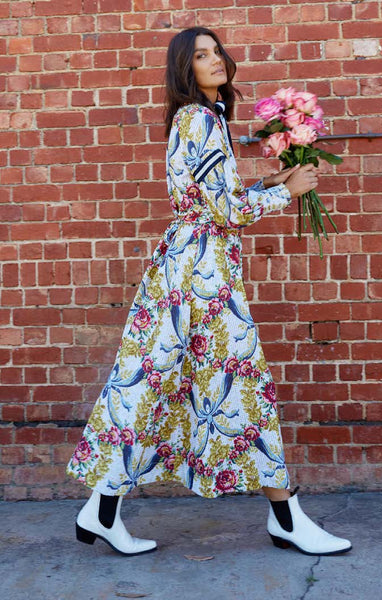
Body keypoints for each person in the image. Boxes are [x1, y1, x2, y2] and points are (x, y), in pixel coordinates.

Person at [66, 26, 352, 557]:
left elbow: (210, 199)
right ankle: (285, 517)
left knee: (157, 385)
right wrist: (284, 194)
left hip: (191, 268)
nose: (215, 60)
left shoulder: (204, 119)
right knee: (240, 384)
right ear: (185, 70)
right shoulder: (198, 118)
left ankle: (102, 509)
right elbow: (221, 212)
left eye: (216, 51)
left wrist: (269, 185)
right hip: (202, 276)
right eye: (201, 55)